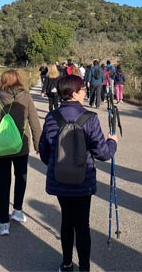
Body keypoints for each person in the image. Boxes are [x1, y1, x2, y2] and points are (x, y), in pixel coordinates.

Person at [39, 75, 118, 272]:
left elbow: (44, 152)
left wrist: (57, 163)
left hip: (59, 180)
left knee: (66, 220)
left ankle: (66, 264)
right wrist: (113, 142)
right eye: (83, 90)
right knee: (82, 224)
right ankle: (84, 268)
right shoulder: (90, 118)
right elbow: (102, 153)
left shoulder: (51, 117)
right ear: (74, 94)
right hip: (83, 181)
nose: (85, 93)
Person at [0, 69, 42, 236]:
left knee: (3, 183)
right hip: (21, 147)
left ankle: (4, 223)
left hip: (0, 149)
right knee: (21, 178)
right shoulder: (26, 98)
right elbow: (34, 123)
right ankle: (17, 210)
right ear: (18, 80)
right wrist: (38, 144)